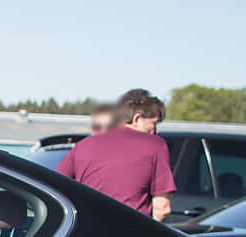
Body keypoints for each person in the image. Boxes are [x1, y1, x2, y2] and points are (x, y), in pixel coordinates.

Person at [58, 88, 175, 221]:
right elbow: (162, 208)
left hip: (85, 231)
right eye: (153, 124)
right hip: (131, 233)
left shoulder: (84, 144)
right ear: (137, 118)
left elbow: (57, 187)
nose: (155, 131)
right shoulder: (155, 144)